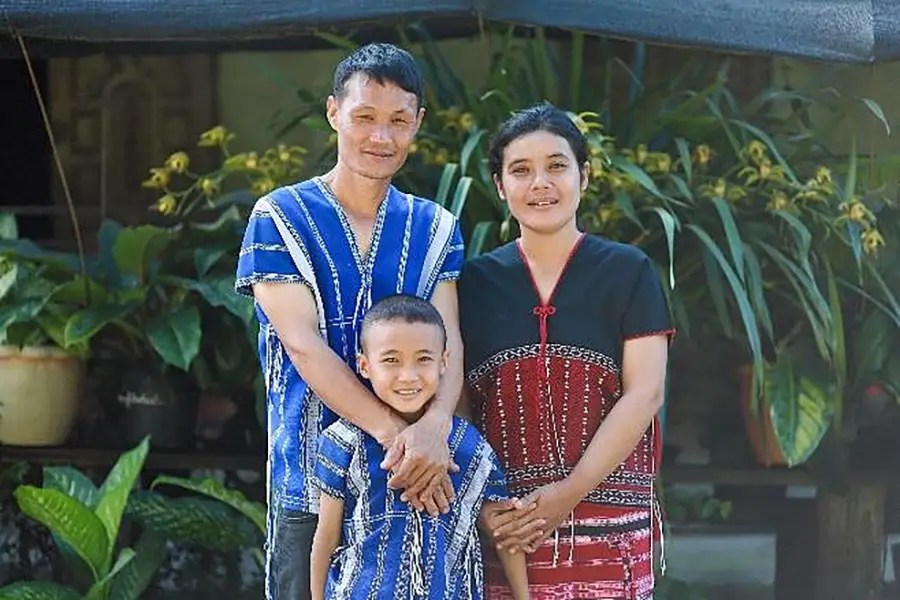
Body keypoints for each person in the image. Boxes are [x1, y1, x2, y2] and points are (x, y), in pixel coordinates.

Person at [235, 43, 467, 600]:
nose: (380, 137)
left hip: (410, 488)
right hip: (310, 483)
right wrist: (398, 437)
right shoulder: (279, 218)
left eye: (398, 121)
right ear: (334, 112)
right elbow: (303, 346)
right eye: (364, 117)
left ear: (418, 123)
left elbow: (451, 341)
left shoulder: (435, 226)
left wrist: (436, 427)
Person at [458, 103, 673, 600]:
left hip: (609, 532)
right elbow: (458, 402)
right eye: (521, 170)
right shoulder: (474, 283)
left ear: (584, 175)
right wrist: (483, 505)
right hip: (509, 532)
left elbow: (646, 393)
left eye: (557, 166)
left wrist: (567, 495)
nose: (541, 184)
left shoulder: (628, 271)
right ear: (500, 186)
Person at [310, 295, 528, 600]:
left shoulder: (470, 446)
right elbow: (326, 536)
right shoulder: (342, 441)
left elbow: (503, 530)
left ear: (444, 362)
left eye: (423, 359)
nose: (408, 376)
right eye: (391, 360)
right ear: (364, 365)